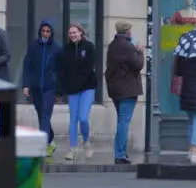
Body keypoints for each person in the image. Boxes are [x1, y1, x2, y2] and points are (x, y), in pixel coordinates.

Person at [105, 21, 144, 164]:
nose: (131, 32)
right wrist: (140, 51)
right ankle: (120, 154)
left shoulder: (112, 46)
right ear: (127, 31)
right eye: (130, 29)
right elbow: (138, 65)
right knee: (123, 122)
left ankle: (121, 151)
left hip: (115, 89)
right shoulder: (128, 46)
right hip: (127, 90)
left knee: (122, 120)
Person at [22, 20, 62, 157]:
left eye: (48, 31)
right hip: (36, 86)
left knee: (45, 113)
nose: (45, 33)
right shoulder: (34, 46)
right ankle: (50, 140)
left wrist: (58, 91)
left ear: (52, 33)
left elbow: (60, 70)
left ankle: (43, 145)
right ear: (40, 31)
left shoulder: (57, 48)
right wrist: (26, 85)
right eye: (43, 31)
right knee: (41, 115)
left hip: (49, 87)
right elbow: (27, 65)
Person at [59, 23, 97, 160]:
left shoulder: (89, 47)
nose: (72, 35)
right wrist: (63, 86)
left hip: (87, 88)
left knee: (83, 118)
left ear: (81, 32)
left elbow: (89, 67)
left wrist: (79, 82)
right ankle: (72, 148)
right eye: (70, 33)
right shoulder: (66, 49)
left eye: (75, 32)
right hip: (72, 90)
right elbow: (63, 70)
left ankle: (86, 142)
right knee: (73, 120)